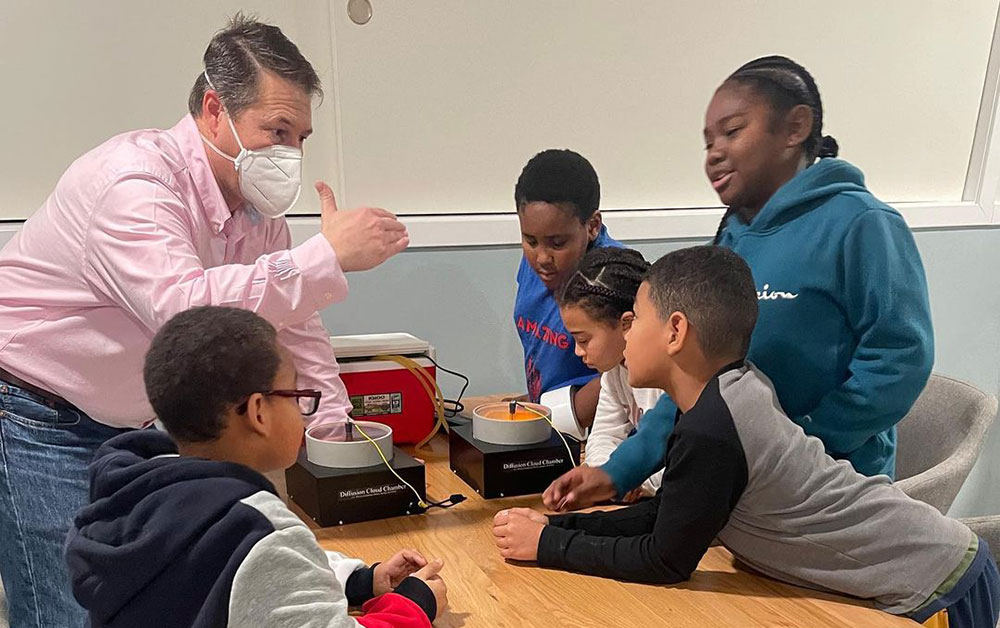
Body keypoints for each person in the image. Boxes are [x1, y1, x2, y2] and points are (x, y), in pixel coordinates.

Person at [0, 15, 408, 627]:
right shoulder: (134, 183)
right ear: (215, 110)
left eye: (301, 136)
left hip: (132, 425)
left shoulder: (255, 209)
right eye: (277, 130)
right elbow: (184, 315)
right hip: (39, 416)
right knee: (67, 609)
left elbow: (290, 323)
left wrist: (332, 425)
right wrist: (325, 255)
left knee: (151, 596)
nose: (290, 153)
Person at [495, 246, 998, 628]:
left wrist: (548, 546)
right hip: (935, 571)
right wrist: (553, 530)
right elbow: (670, 514)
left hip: (939, 585)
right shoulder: (724, 396)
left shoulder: (714, 428)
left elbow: (664, 559)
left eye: (637, 321)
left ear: (675, 331)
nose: (627, 335)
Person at [544, 55, 933, 511]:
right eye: (708, 141)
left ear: (795, 128)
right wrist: (618, 470)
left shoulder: (863, 225)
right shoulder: (733, 238)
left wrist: (802, 439)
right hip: (744, 479)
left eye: (732, 131)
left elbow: (900, 360)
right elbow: (697, 375)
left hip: (828, 489)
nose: (714, 153)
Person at [65, 306, 447, 627]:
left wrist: (362, 580)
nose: (302, 410)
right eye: (297, 394)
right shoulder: (255, 530)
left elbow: (235, 574)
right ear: (258, 411)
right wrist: (414, 604)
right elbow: (266, 559)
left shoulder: (149, 492)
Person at [513, 149, 622, 438]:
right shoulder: (537, 262)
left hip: (595, 434)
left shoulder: (615, 278)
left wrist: (559, 416)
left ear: (593, 226)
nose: (542, 258)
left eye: (557, 243)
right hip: (550, 419)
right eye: (530, 240)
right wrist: (536, 406)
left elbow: (626, 374)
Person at [557, 246, 664, 497]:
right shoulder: (615, 371)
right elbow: (604, 434)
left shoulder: (667, 377)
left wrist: (629, 482)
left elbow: (679, 461)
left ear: (626, 324)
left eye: (583, 340)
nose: (577, 352)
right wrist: (603, 478)